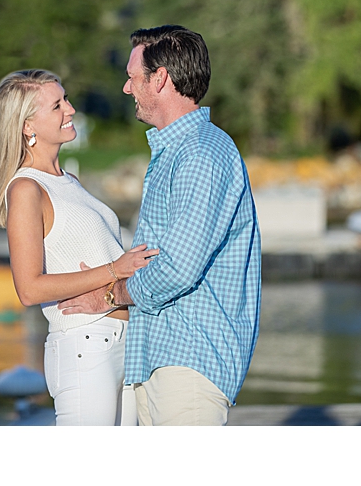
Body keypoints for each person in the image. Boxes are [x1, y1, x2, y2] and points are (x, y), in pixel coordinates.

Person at [60, 25, 261, 426]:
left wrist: (110, 295)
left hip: (189, 362)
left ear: (161, 78)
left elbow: (177, 267)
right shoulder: (176, 151)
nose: (126, 88)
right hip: (161, 359)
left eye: (133, 77)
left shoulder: (201, 153)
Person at [0, 69, 158, 426]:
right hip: (85, 345)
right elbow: (29, 288)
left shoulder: (70, 182)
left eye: (65, 99)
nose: (71, 109)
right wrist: (116, 270)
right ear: (27, 126)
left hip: (125, 341)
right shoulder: (25, 190)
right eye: (57, 105)